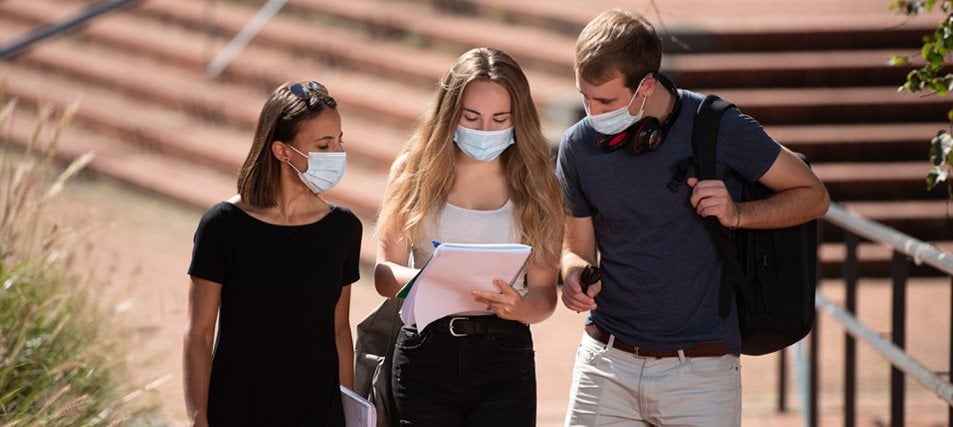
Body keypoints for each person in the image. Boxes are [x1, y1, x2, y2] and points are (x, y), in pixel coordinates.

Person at [557, 9, 830, 427]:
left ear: (646, 85)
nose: (592, 112)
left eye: (606, 101)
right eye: (584, 96)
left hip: (701, 376)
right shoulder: (578, 146)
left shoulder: (720, 128)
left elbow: (813, 195)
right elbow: (576, 246)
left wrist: (738, 213)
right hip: (604, 364)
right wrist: (574, 274)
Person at [373, 47, 564, 427]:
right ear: (450, 115)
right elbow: (382, 273)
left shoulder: (539, 182)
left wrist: (520, 307)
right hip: (424, 351)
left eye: (499, 119)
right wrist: (427, 281)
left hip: (504, 355)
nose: (485, 131)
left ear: (518, 119)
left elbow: (544, 294)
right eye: (472, 118)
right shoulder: (413, 171)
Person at [183, 81, 362, 426]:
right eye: (324, 145)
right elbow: (199, 333)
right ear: (281, 151)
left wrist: (349, 415)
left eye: (340, 141)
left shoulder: (343, 228)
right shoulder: (222, 226)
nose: (337, 153)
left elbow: (339, 329)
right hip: (238, 409)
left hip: (317, 413)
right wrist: (198, 418)